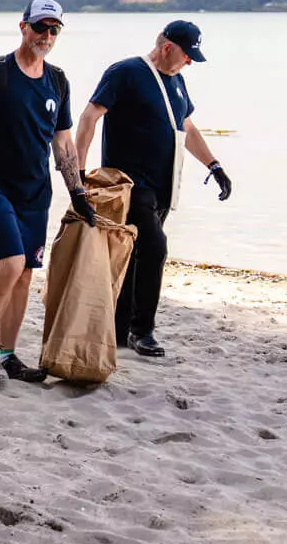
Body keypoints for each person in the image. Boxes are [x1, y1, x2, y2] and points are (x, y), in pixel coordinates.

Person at [0, 0, 95, 386]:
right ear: (23, 26)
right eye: (40, 27)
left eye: (53, 29)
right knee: (10, 264)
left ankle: (8, 354)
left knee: (26, 274)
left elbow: (63, 143)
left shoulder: (58, 81)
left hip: (35, 192)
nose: (46, 35)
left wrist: (77, 192)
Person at [73, 20, 232, 358]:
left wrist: (214, 166)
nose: (189, 61)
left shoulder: (177, 81)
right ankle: (142, 331)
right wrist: (80, 173)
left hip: (163, 188)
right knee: (155, 248)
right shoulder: (126, 73)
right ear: (167, 47)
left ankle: (118, 329)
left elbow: (185, 127)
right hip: (128, 185)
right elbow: (89, 117)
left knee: (134, 256)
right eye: (187, 55)